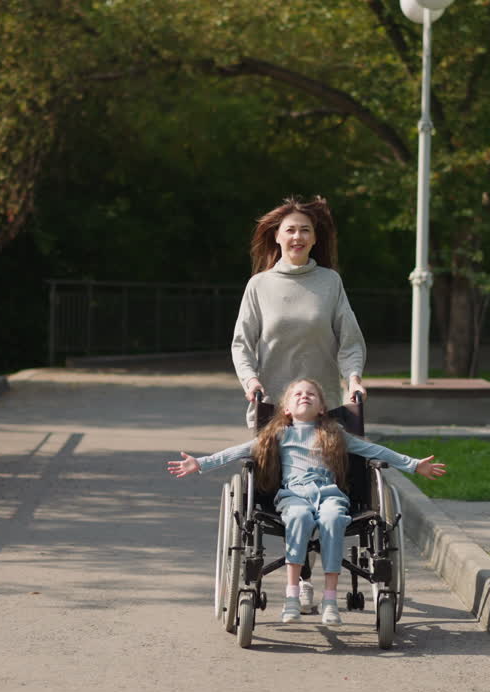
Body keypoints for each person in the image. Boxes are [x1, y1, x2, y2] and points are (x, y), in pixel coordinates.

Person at [167, 379, 446, 627]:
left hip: (329, 494)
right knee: (299, 517)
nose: (304, 396)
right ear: (286, 408)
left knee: (334, 519)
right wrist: (200, 463)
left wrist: (413, 465)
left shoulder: (336, 435)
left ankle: (330, 600)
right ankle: (291, 597)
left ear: (322, 408)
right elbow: (238, 451)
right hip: (294, 496)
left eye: (311, 393)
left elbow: (374, 450)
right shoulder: (277, 435)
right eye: (297, 393)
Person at [232, 196, 368, 414]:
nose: (298, 236)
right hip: (272, 407)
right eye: (290, 230)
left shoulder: (330, 282)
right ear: (276, 236)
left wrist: (354, 380)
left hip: (323, 408)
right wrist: (250, 381)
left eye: (305, 230)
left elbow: (350, 341)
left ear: (314, 238)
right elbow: (242, 345)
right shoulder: (259, 285)